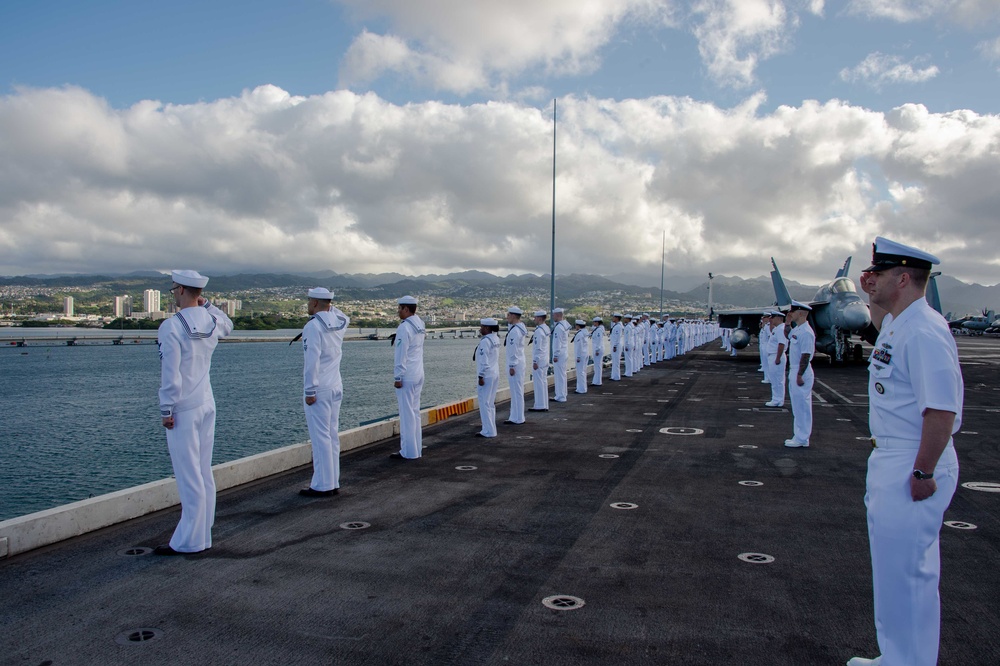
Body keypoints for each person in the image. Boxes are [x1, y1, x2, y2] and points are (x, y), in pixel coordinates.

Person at [847, 237, 963, 666]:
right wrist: (869, 294)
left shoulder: (925, 330)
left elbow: (940, 411)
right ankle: (896, 657)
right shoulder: (902, 321)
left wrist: (922, 472)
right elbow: (879, 322)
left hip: (913, 460)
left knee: (910, 575)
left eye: (877, 273)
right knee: (895, 574)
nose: (869, 278)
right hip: (895, 457)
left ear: (902, 277)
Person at [155, 270, 233, 555]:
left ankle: (188, 541)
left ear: (180, 290)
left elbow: (171, 376)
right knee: (203, 472)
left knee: (189, 475)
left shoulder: (171, 327)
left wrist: (166, 408)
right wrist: (207, 303)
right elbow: (228, 324)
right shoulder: (211, 321)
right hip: (206, 402)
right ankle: (202, 534)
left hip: (184, 407)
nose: (173, 294)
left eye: (174, 289)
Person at [300, 287, 350, 496]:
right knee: (331, 435)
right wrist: (329, 305)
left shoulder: (313, 327)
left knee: (320, 438)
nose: (307, 304)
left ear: (313, 303)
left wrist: (309, 390)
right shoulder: (339, 323)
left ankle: (322, 485)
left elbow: (312, 360)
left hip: (319, 388)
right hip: (335, 385)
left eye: (309, 301)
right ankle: (332, 481)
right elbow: (343, 316)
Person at [391, 295, 425, 459]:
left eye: (399, 308)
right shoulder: (420, 324)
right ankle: (416, 449)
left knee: (406, 415)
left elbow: (401, 355)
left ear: (406, 309)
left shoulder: (404, 328)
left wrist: (398, 377)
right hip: (418, 373)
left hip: (407, 376)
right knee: (415, 413)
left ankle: (408, 452)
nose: (398, 311)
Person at [784, 301, 814, 448]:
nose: (792, 313)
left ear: (801, 313)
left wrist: (800, 375)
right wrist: (788, 323)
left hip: (801, 370)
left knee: (802, 405)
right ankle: (799, 436)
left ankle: (802, 438)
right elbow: (788, 335)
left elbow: (806, 355)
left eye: (794, 311)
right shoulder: (798, 330)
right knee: (797, 405)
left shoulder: (806, 332)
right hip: (795, 369)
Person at [474, 318, 501, 438]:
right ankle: (491, 429)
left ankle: (488, 431)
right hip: (494, 373)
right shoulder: (495, 339)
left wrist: (481, 376)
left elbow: (484, 361)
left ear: (487, 328)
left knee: (484, 403)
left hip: (487, 375)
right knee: (490, 404)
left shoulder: (485, 341)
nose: (480, 329)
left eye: (482, 327)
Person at [504, 306, 528, 424]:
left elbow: (513, 349)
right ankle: (515, 416)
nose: (506, 317)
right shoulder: (518, 328)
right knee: (516, 390)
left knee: (516, 391)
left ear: (513, 316)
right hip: (519, 361)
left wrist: (512, 366)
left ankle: (518, 418)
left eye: (508, 315)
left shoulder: (515, 331)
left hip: (515, 363)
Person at [529, 311, 551, 411]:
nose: (534, 319)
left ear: (540, 318)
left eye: (536, 317)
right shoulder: (546, 328)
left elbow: (538, 348)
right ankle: (544, 404)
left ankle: (539, 405)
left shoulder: (539, 331)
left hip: (539, 360)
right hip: (545, 358)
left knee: (538, 383)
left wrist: (535, 361)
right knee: (543, 382)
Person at [765, 311, 787, 407]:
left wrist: (778, 358)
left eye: (773, 317)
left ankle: (777, 400)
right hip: (773, 355)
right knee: (775, 379)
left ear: (778, 318)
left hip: (776, 356)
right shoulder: (777, 329)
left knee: (777, 380)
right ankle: (777, 399)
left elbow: (781, 344)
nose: (771, 319)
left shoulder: (781, 329)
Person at [551, 308, 571, 400]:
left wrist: (555, 355)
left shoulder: (559, 327)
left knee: (559, 375)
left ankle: (560, 396)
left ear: (558, 315)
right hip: (564, 353)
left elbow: (557, 343)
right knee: (562, 374)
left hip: (559, 354)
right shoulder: (564, 326)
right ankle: (563, 393)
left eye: (554, 315)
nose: (553, 317)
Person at [573, 319, 589, 394]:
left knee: (580, 372)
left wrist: (578, 357)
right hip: (585, 353)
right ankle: (583, 387)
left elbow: (579, 346)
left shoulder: (579, 334)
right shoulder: (585, 333)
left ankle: (581, 389)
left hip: (580, 355)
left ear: (578, 326)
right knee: (583, 371)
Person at [590, 316, 605, 386]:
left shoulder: (599, 330)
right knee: (597, 365)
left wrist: (597, 350)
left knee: (598, 365)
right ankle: (596, 380)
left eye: (594, 322)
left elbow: (598, 341)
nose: (593, 323)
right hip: (597, 349)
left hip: (598, 349)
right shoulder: (598, 329)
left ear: (597, 322)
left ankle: (598, 381)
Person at [609, 313, 624, 380]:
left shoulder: (618, 326)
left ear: (617, 318)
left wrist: (615, 345)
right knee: (614, 361)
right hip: (615, 345)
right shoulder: (616, 325)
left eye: (614, 317)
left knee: (616, 361)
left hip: (616, 346)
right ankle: (614, 375)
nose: (613, 318)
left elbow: (617, 337)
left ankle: (616, 376)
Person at [759, 313, 771, 381]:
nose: (763, 319)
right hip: (763, 344)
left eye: (764, 318)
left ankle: (768, 378)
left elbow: (769, 337)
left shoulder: (769, 326)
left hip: (767, 345)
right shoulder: (765, 326)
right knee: (764, 362)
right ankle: (766, 377)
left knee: (767, 363)